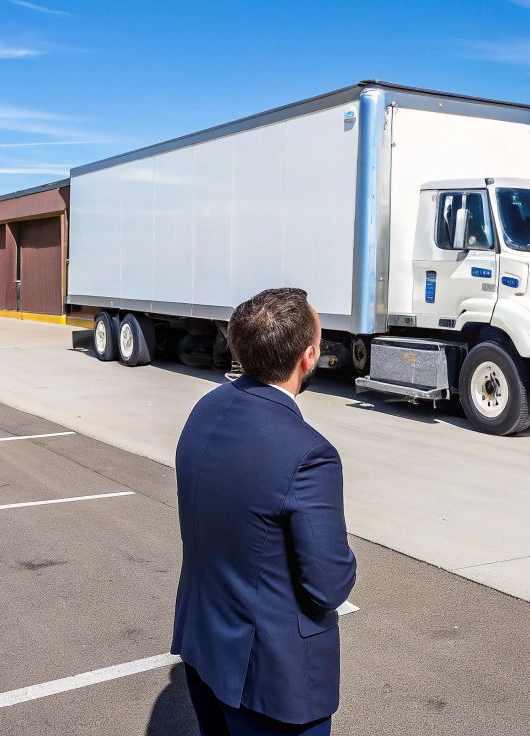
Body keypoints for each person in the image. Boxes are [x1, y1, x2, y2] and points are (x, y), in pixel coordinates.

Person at [171, 287, 358, 736]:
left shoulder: (207, 408)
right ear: (308, 357)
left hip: (205, 650)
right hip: (272, 684)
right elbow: (327, 584)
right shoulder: (309, 454)